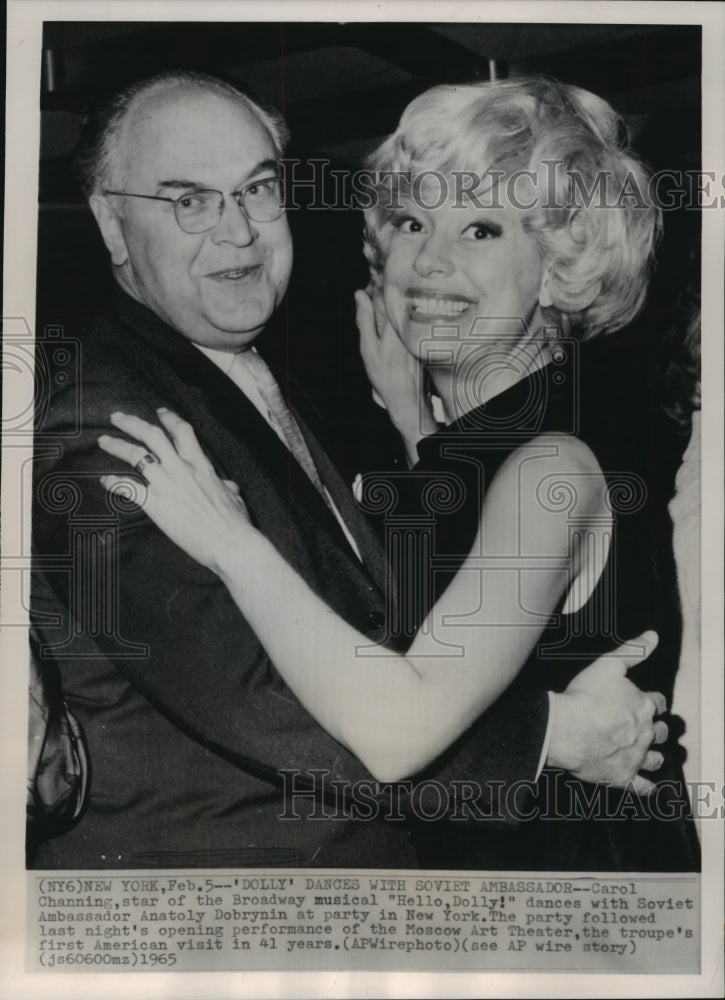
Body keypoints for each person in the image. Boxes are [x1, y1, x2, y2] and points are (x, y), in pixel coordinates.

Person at [92, 75, 694, 871]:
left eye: (480, 229)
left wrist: (232, 543)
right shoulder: (462, 449)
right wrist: (414, 426)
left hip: (566, 900)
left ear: (558, 267)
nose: (428, 261)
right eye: (411, 222)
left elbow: (397, 731)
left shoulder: (549, 470)